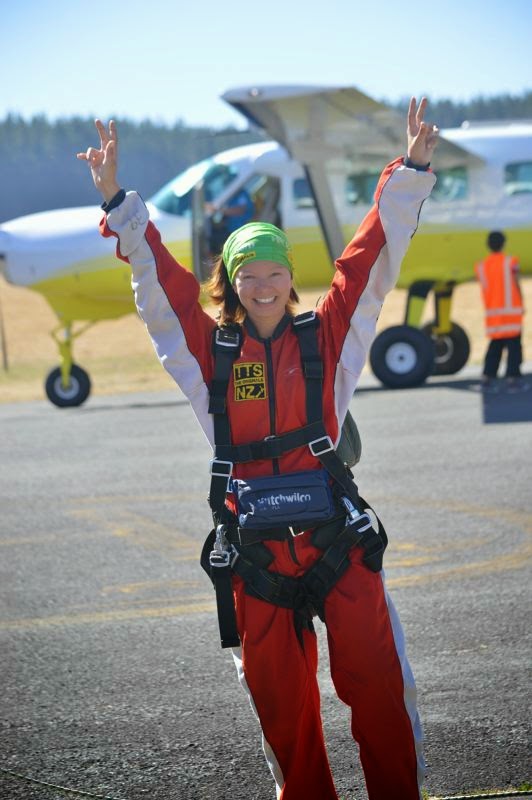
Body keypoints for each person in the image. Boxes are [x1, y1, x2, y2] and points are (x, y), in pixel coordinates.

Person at [78, 97, 438, 800]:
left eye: (275, 272)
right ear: (231, 282)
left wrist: (410, 174)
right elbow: (160, 290)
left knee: (380, 688)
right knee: (284, 714)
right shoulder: (208, 356)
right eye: (250, 274)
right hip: (256, 556)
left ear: (290, 278)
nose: (265, 286)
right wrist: (119, 203)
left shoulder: (326, 339)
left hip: (338, 543)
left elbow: (369, 264)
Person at [475, 230, 527, 392]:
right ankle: (513, 380)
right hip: (511, 314)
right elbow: (516, 283)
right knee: (514, 349)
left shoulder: (481, 267)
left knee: (495, 348)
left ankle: (486, 379)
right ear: (503, 244)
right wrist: (522, 303)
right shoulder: (510, 262)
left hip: (494, 314)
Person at [206, 186, 255, 256]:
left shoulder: (241, 194)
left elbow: (240, 210)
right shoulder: (230, 196)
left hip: (240, 232)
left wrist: (218, 210)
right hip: (229, 230)